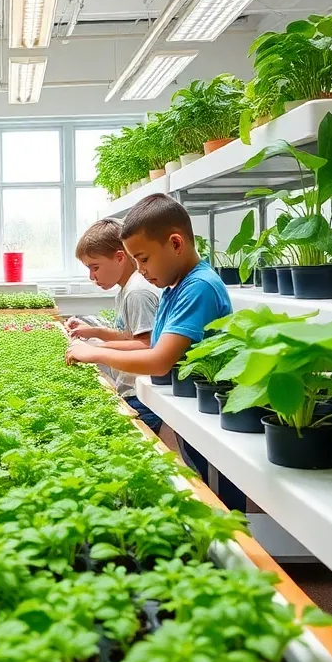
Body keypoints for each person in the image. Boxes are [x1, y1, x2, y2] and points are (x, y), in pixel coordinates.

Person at [65, 194, 245, 511]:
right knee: (201, 475)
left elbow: (159, 358)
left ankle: (240, 553)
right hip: (192, 409)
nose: (141, 269)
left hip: (210, 412)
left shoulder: (199, 287)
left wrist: (96, 352)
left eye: (144, 259)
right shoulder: (176, 287)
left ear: (175, 243)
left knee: (219, 499)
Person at [66, 218, 161, 431]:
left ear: (119, 257)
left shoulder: (138, 292)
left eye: (95, 267)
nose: (92, 276)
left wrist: (95, 350)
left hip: (142, 392)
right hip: (132, 387)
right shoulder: (127, 288)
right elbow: (131, 336)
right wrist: (95, 332)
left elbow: (148, 345)